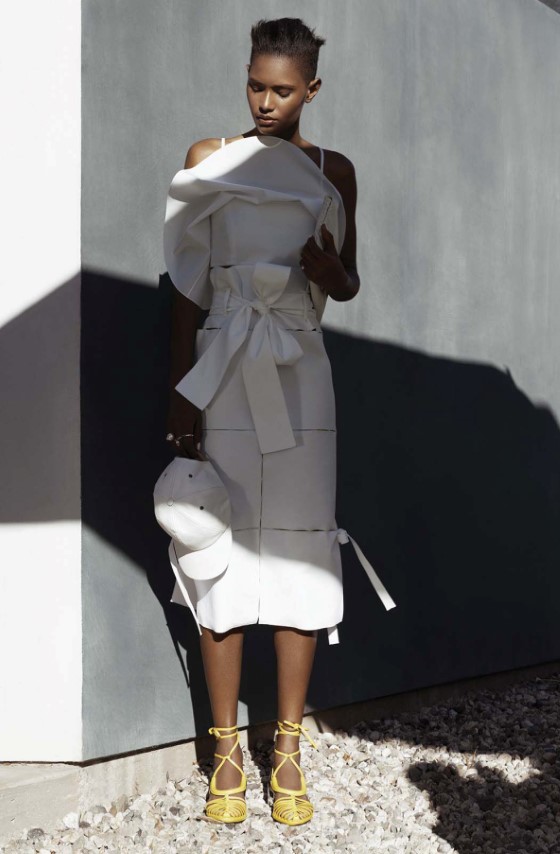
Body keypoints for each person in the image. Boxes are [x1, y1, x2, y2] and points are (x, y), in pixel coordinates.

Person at [162, 17, 396, 827]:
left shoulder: (336, 171)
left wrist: (334, 272)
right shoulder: (209, 157)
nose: (266, 102)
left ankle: (287, 749)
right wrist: (181, 393)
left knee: (300, 546)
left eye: (283, 90)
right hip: (224, 366)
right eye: (256, 85)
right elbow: (185, 286)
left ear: (312, 91)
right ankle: (226, 752)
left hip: (301, 371)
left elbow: (348, 280)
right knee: (213, 546)